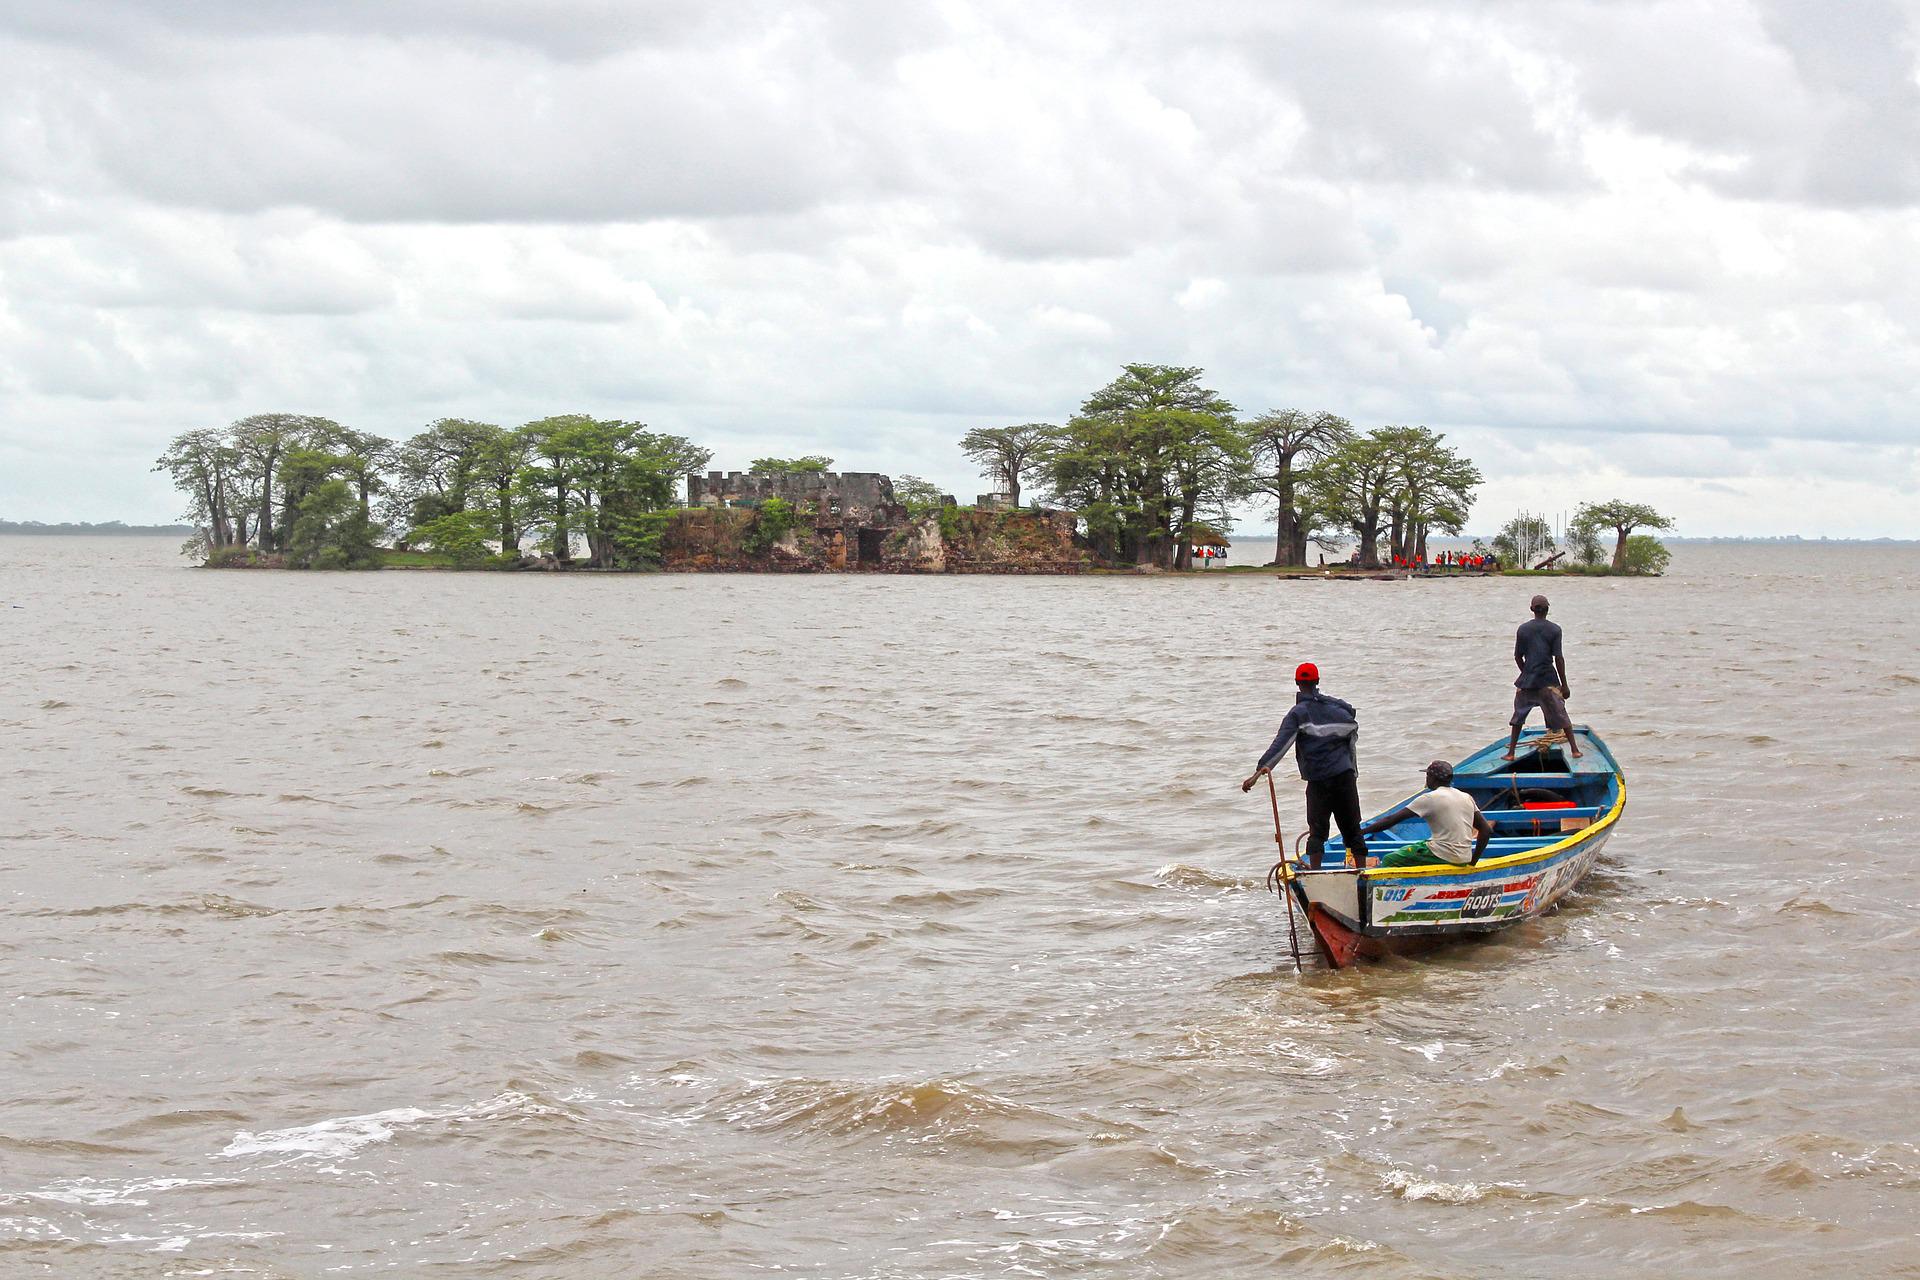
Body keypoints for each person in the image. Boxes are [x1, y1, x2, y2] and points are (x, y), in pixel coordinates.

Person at [1240, 662, 1370, 869]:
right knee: (1352, 829)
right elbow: (1351, 738)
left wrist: (1259, 771)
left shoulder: (1298, 714)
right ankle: (1361, 870)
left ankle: (1315, 873)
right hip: (1344, 777)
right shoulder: (1339, 712)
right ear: (1317, 682)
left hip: (1319, 781)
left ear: (1297, 683)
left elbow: (1281, 743)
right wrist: (1353, 773)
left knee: (1317, 831)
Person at [1360, 760, 1494, 868]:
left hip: (1443, 854)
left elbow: (1391, 820)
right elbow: (1486, 830)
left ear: (1432, 778)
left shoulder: (1429, 798)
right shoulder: (1466, 797)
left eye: (1427, 775)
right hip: (1463, 857)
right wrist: (1472, 862)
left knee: (1390, 860)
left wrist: (1361, 832)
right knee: (1419, 846)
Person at [1507, 594, 1581, 759]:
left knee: (1518, 718)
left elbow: (1518, 656)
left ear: (1532, 609)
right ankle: (1575, 750)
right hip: (1548, 682)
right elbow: (1558, 658)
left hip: (1527, 683)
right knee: (1562, 716)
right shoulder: (1554, 629)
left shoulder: (1523, 629)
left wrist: (1526, 673)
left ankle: (1511, 752)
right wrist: (1564, 685)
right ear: (1547, 609)